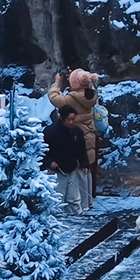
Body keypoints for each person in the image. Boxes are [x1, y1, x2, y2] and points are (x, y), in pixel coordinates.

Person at [48, 68, 99, 209]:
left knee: (78, 172)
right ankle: (88, 202)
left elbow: (54, 98)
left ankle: (81, 204)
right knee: (86, 170)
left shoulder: (71, 99)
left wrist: (56, 83)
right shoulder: (91, 94)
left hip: (76, 136)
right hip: (89, 135)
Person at [44, 105, 89, 215]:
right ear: (62, 118)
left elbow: (81, 149)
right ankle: (57, 219)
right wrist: (49, 162)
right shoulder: (50, 132)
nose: (71, 122)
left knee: (74, 198)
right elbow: (42, 151)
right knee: (58, 197)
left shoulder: (76, 132)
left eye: (73, 119)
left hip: (71, 168)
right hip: (56, 171)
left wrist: (84, 164)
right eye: (68, 119)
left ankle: (76, 218)